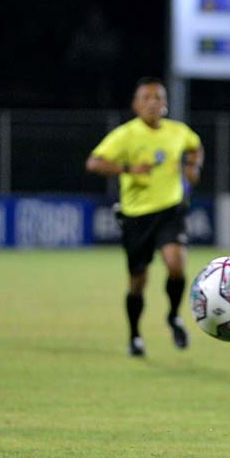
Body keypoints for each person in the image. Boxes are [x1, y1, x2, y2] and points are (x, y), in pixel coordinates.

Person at [86, 77, 203, 357]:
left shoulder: (178, 131)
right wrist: (127, 169)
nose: (152, 102)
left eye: (157, 97)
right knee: (138, 282)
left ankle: (174, 316)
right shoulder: (125, 135)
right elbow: (94, 162)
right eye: (146, 98)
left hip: (170, 210)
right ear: (136, 105)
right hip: (136, 217)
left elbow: (195, 146)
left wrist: (193, 166)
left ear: (165, 103)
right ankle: (135, 335)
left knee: (176, 264)